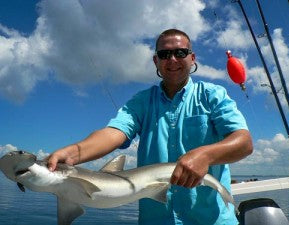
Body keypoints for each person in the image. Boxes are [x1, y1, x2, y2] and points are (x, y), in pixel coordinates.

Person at [47, 29, 253, 225]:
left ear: (192, 58)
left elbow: (243, 142)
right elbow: (113, 133)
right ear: (156, 61)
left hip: (211, 220)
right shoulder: (142, 102)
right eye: (164, 54)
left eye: (180, 52)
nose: (172, 59)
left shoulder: (212, 95)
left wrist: (206, 155)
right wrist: (74, 153)